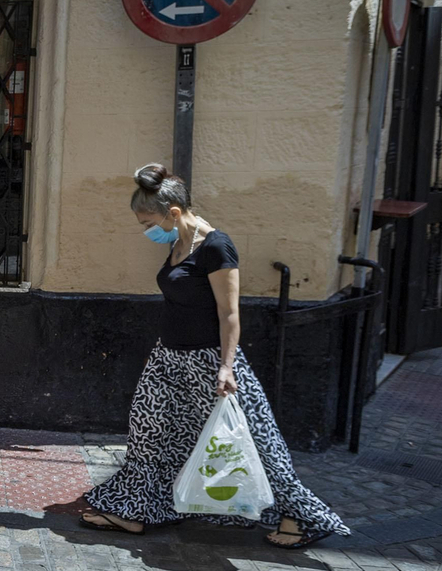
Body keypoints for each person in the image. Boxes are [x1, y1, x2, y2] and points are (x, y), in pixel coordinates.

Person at [81, 164, 349, 548]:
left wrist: (226, 367)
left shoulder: (216, 246)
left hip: (209, 362)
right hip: (168, 358)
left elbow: (230, 314)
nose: (146, 231)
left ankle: (299, 516)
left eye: (148, 222)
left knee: (250, 440)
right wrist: (159, 352)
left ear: (173, 212)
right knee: (148, 432)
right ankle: (134, 510)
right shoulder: (177, 243)